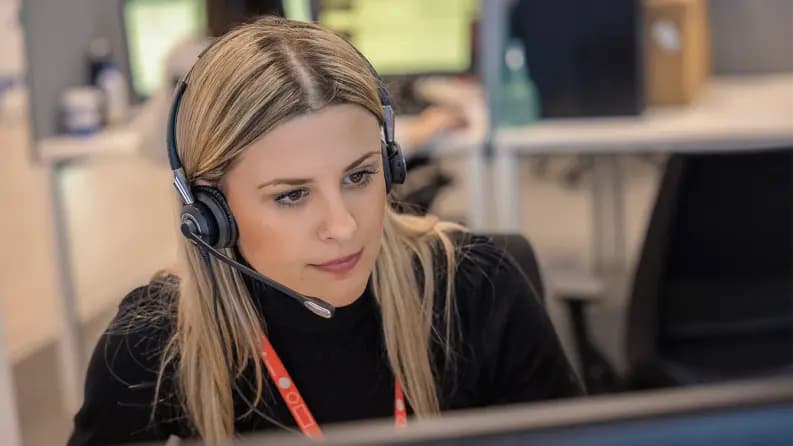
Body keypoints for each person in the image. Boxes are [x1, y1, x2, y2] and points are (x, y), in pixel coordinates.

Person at [68, 16, 583, 446]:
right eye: (292, 195)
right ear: (211, 208)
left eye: (359, 176)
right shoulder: (154, 343)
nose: (343, 226)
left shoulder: (474, 289)